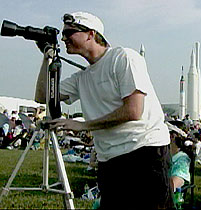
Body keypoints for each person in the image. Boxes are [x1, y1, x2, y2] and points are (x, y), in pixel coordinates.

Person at [35, 12, 174, 209]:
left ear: (91, 34)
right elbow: (43, 96)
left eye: (69, 33)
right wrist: (46, 58)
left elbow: (134, 111)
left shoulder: (123, 58)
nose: (64, 38)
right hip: (109, 158)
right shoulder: (82, 78)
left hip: (144, 152)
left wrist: (83, 125)